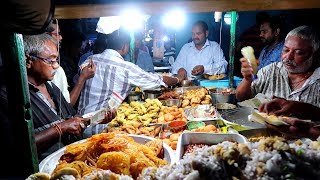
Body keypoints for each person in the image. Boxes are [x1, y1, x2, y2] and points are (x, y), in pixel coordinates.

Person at [15, 33, 115, 161]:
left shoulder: (51, 87)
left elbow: (72, 121)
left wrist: (97, 118)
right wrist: (60, 128)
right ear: (29, 61)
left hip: (72, 158)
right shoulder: (13, 94)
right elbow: (18, 146)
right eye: (50, 60)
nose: (56, 65)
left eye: (56, 60)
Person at [77, 30, 186, 115]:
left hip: (79, 124)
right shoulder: (125, 67)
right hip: (102, 126)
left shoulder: (90, 59)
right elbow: (157, 80)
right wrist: (178, 79)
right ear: (124, 46)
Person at [236, 25, 320, 108]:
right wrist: (247, 79)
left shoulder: (317, 81)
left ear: (314, 54)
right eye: (286, 50)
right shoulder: (270, 71)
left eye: (298, 52)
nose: (288, 57)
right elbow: (241, 98)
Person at [47, 20, 96, 107]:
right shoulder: (59, 64)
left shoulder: (76, 59)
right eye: (77, 46)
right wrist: (82, 77)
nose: (79, 49)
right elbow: (66, 105)